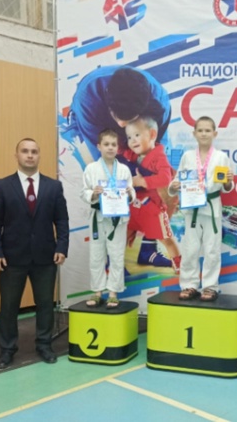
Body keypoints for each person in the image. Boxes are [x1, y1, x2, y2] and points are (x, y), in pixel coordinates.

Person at [63, 65, 173, 269]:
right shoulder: (89, 97)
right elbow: (105, 159)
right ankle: (111, 252)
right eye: (118, 118)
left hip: (140, 127)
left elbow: (155, 157)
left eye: (128, 119)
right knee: (108, 182)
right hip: (94, 123)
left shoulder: (160, 104)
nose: (122, 124)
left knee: (160, 183)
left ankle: (148, 249)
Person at [0, 138, 69, 369]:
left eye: (34, 151)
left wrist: (61, 247)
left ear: (39, 155)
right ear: (17, 155)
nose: (30, 155)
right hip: (11, 258)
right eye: (25, 151)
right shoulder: (2, 186)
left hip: (46, 257)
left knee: (45, 304)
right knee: (9, 306)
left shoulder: (54, 187)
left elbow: (62, 220)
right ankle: (7, 349)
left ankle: (44, 345)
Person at [168, 116, 234, 302]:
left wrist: (228, 182)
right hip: (192, 208)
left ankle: (210, 286)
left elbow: (227, 187)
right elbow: (177, 180)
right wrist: (174, 186)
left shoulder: (221, 157)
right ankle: (189, 284)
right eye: (200, 130)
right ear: (194, 133)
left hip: (212, 208)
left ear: (215, 133)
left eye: (207, 130)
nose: (204, 134)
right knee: (190, 248)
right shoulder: (188, 156)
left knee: (212, 249)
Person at [80, 130, 136, 308]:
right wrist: (93, 193)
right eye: (106, 144)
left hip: (118, 219)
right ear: (99, 146)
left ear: (118, 148)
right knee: (96, 256)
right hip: (98, 218)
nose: (110, 148)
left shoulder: (124, 170)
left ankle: (113, 292)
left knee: (117, 255)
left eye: (113, 144)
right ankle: (97, 292)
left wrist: (129, 193)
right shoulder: (91, 169)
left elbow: (131, 191)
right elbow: (84, 192)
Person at [124, 116, 181, 272]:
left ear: (152, 135)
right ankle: (113, 263)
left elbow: (165, 178)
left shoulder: (159, 157)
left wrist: (142, 181)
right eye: (129, 137)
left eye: (137, 135)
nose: (133, 141)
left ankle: (179, 264)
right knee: (123, 234)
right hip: (135, 206)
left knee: (165, 238)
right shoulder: (133, 155)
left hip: (152, 207)